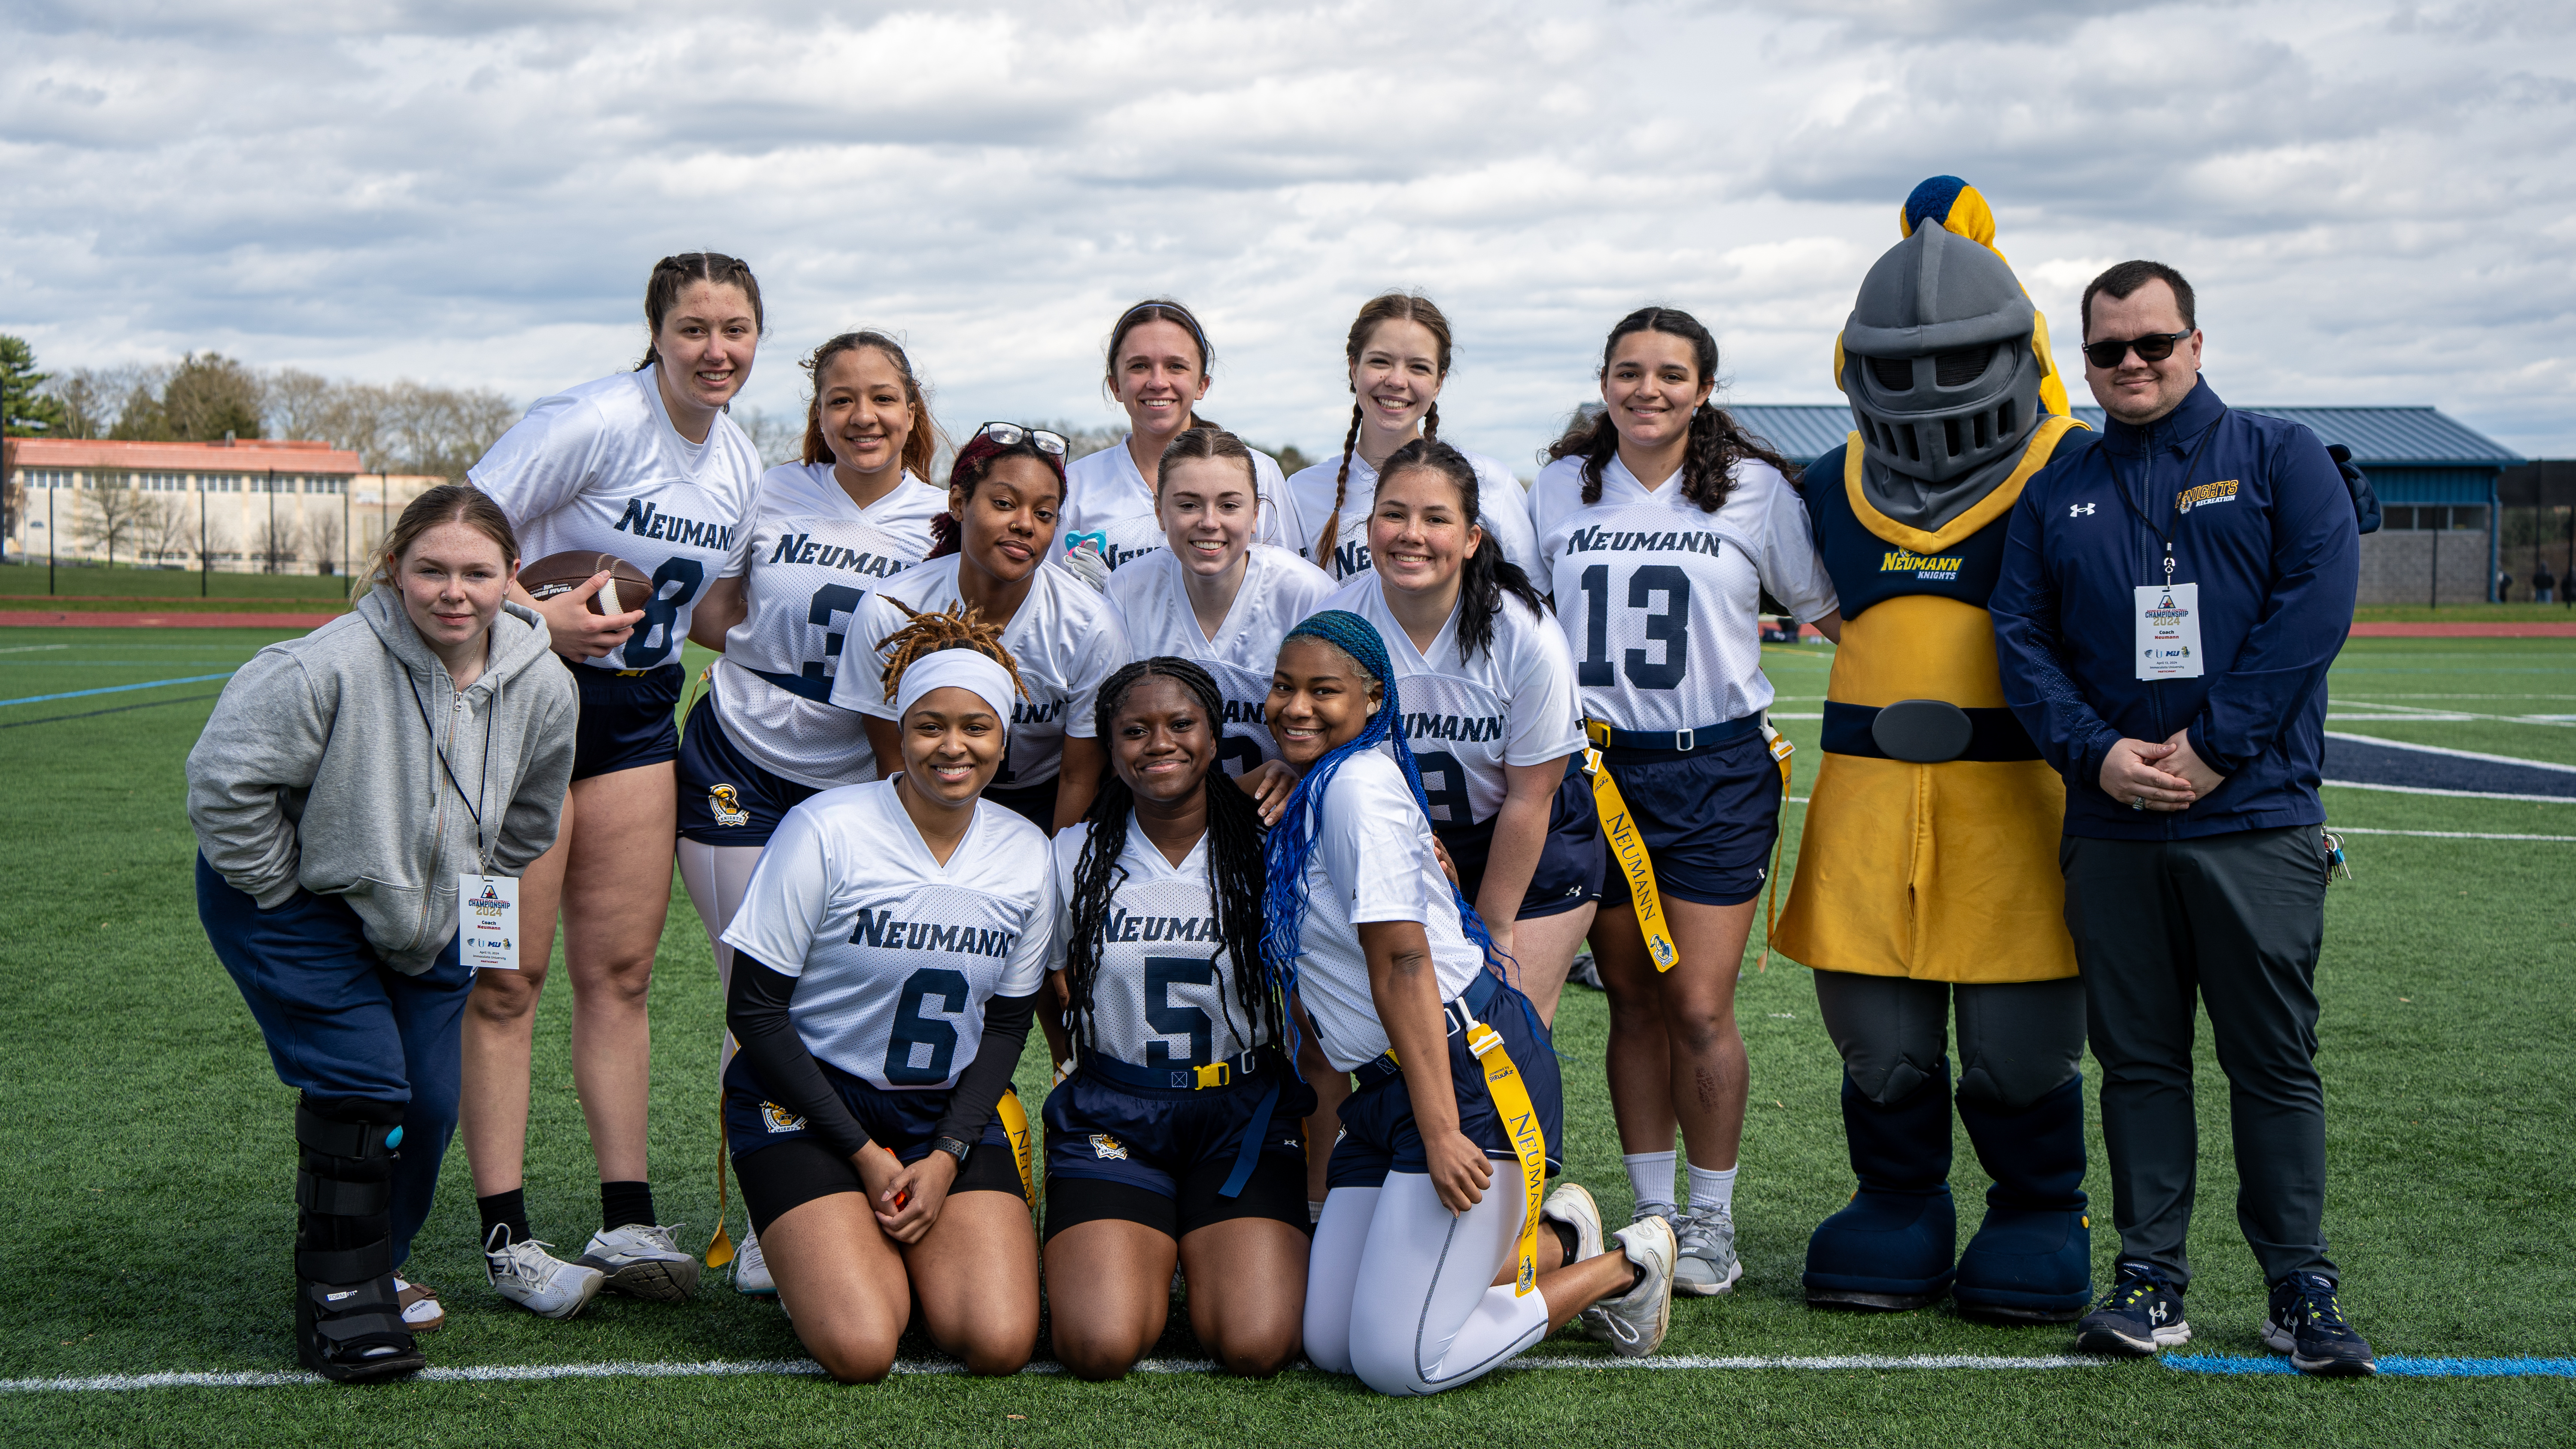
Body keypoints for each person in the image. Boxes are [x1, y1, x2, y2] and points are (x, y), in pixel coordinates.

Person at [1992, 259, 2372, 1375]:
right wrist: (2098, 753)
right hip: (2114, 829)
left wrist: (2211, 752)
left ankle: (2300, 1285)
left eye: (2153, 343)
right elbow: (2022, 641)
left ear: (2196, 344)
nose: (2132, 366)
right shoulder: (2060, 482)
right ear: (2086, 358)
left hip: (2252, 818)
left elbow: (2315, 610)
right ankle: (2151, 1280)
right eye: (2107, 350)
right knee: (2139, 1064)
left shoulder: (2279, 457)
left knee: (2273, 1062)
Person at [1774, 179, 2098, 1324]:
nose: (1924, 389)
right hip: (1867, 814)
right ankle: (1899, 1201)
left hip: (2022, 810)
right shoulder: (1822, 488)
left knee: (2017, 1054)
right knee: (1882, 1046)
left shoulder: (2074, 473)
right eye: (1900, 366)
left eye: (1955, 361)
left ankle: (2038, 1208)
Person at [187, 484, 579, 1379]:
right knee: (365, 1079)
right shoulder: (322, 665)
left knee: (431, 1101)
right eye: (431, 569)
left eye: (477, 572)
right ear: (394, 567)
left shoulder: (545, 682)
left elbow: (533, 806)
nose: (454, 591)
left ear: (511, 578)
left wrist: (479, 881)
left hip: (433, 910)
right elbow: (221, 782)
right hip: (297, 900)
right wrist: (282, 889)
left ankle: (381, 1260)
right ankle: (341, 1291)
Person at [462, 252, 768, 1308]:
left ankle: (626, 1219)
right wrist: (533, 616)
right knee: (507, 978)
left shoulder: (738, 460)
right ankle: (506, 1235)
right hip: (522, 713)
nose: (715, 350)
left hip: (639, 717)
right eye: (693, 328)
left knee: (623, 975)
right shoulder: (589, 420)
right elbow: (452, 536)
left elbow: (718, 614)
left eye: (735, 329)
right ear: (657, 331)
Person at [1274, 610, 1679, 1396]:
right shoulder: (1328, 780)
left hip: (1464, 1071)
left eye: (1324, 690)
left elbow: (1403, 962)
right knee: (1330, 1344)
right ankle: (1560, 1235)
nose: (1297, 706)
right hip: (1388, 1081)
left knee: (1403, 1362)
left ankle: (1628, 1265)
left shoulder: (1355, 788)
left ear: (1371, 701)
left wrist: (1439, 1128)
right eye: (1284, 687)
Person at [1531, 306, 1842, 1298]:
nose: (1648, 390)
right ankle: (1655, 1208)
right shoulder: (1559, 486)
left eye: (1671, 374)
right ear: (1605, 380)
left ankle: (1712, 1218)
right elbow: (1526, 635)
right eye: (1629, 371)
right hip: (1596, 771)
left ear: (1704, 388)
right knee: (1629, 998)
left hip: (1715, 770)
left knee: (1699, 1003)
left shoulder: (1754, 490)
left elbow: (1826, 614)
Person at [678, 329, 949, 1294]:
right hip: (742, 752)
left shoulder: (942, 518)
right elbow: (709, 612)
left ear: (912, 411)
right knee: (755, 994)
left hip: (857, 773)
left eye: (882, 398)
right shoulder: (769, 489)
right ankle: (767, 1215)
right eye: (841, 399)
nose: (862, 416)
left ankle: (839, 1188)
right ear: (818, 412)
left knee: (835, 996)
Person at [720, 605, 1049, 1382]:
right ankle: (840, 1248)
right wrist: (868, 1158)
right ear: (899, 730)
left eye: (977, 727)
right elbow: (755, 1013)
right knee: (864, 1347)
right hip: (808, 1101)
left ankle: (905, 1255)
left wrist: (943, 1157)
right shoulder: (826, 828)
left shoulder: (1027, 853)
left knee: (999, 1343)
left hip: (940, 1112)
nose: (953, 747)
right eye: (930, 726)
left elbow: (1005, 1027)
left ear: (1004, 738)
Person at [1037, 658, 1317, 1380]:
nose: (1158, 743)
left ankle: (1200, 1243)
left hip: (1241, 1113)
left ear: (1216, 734)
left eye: (1180, 724)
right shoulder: (1075, 854)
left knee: (1256, 1345)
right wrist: (1068, 1058)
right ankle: (1148, 1239)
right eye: (1135, 730)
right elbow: (1045, 976)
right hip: (1115, 1110)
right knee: (1098, 1347)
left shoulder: (1267, 847)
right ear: (1110, 745)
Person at [1319, 439, 1598, 1024]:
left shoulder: (1524, 632)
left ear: (1472, 539)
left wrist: (1495, 928)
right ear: (1369, 528)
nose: (1410, 533)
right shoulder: (1338, 623)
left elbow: (1532, 794)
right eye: (1393, 514)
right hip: (1405, 845)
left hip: (1526, 836)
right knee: (1402, 1041)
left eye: (1436, 518)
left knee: (1507, 1028)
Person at [834, 423, 1125, 834]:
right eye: (1005, 504)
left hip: (1042, 802)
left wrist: (1059, 874)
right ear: (958, 503)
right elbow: (895, 763)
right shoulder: (891, 611)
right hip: (928, 796)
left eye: (1044, 514)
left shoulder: (1090, 625)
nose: (1026, 524)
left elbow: (1079, 777)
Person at [1102, 426, 1335, 779]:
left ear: (1255, 514)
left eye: (1229, 505)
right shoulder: (1126, 590)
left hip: (1282, 818)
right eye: (1188, 505)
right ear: (1160, 512)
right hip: (1170, 817)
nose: (1209, 522)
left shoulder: (1309, 594)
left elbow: (1340, 729)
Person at [1285, 292, 1544, 585]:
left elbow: (1532, 603)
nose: (1397, 381)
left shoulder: (1492, 482)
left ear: (1438, 383)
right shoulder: (1301, 493)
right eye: (1381, 362)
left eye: (1418, 367)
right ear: (1354, 369)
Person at [1056, 299, 1299, 582]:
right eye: (1139, 366)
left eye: (1175, 366)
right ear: (1116, 386)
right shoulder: (1075, 485)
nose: (1158, 382)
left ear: (1202, 385)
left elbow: (1290, 588)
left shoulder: (1259, 471)